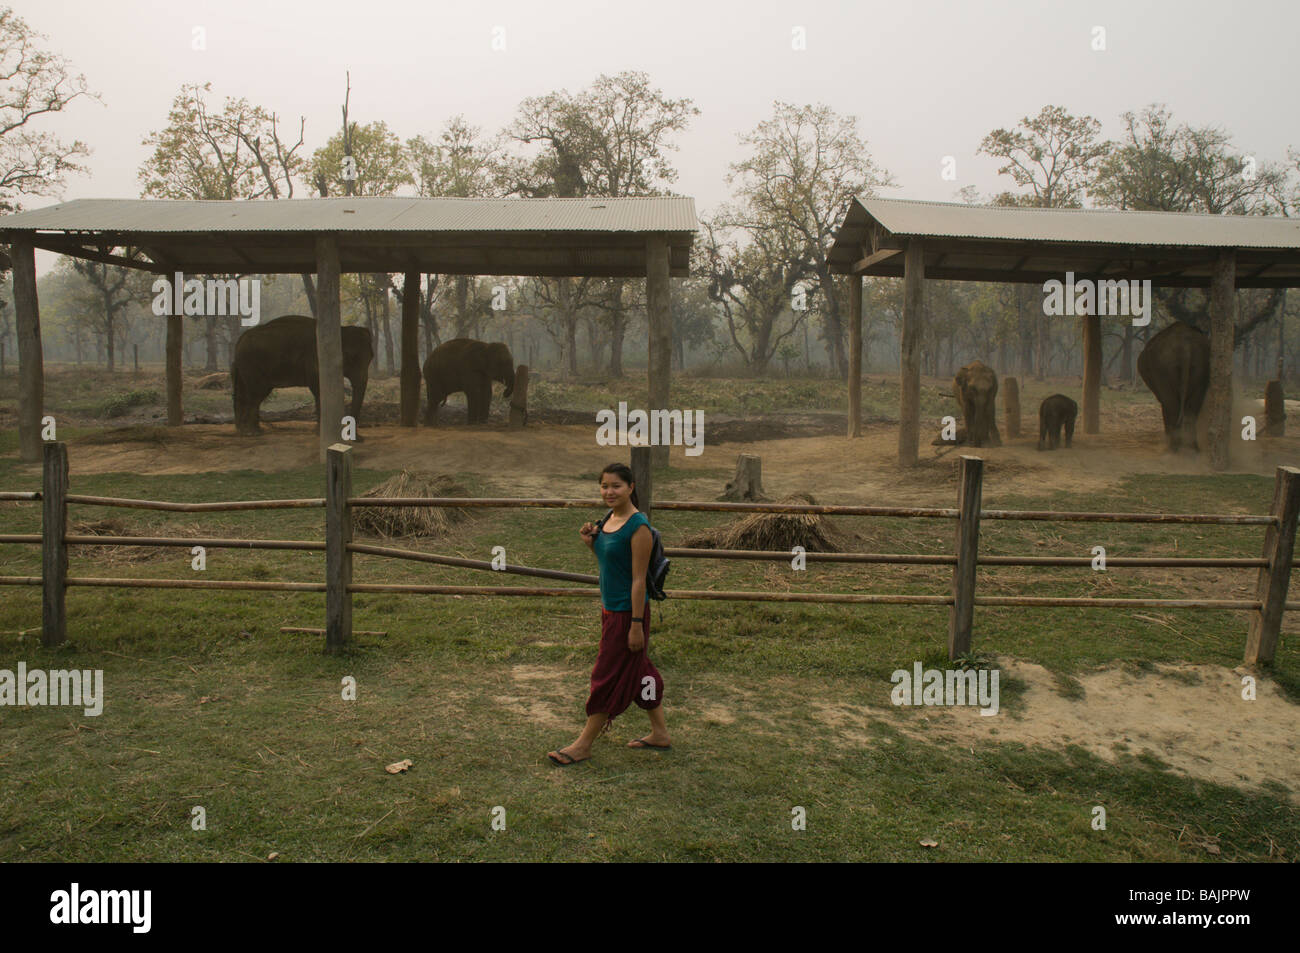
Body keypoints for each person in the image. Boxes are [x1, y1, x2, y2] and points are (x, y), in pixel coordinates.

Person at [548, 463, 670, 766]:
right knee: (641, 671)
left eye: (616, 486)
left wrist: (636, 625)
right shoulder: (608, 520)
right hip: (610, 610)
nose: (609, 492)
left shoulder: (638, 526)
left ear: (630, 488)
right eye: (604, 486)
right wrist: (592, 544)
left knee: (605, 676)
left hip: (628, 614)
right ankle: (660, 733)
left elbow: (638, 578)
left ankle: (583, 744)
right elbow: (612, 566)